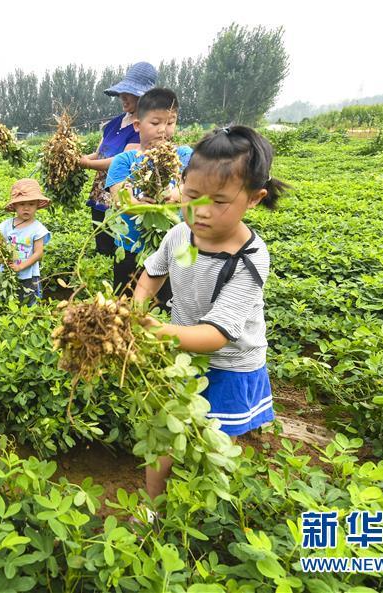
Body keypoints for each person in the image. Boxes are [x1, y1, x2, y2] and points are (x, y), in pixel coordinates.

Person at [132, 125, 289, 517]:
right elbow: (154, 274)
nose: (200, 211)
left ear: (254, 198)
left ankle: (221, 518)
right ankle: (153, 510)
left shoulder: (251, 258)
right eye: (191, 195)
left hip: (230, 366)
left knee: (221, 446)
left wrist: (158, 332)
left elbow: (217, 335)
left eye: (219, 201)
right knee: (164, 437)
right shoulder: (181, 236)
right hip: (180, 358)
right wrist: (135, 311)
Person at [106, 88, 192, 298]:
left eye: (170, 122)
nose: (163, 130)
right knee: (126, 303)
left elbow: (191, 187)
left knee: (170, 303)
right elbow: (119, 201)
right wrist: (134, 203)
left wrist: (173, 194)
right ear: (138, 125)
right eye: (155, 123)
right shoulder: (123, 161)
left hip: (176, 246)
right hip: (130, 248)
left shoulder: (183, 155)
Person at [81, 62, 157, 256]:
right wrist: (78, 158)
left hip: (122, 195)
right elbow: (99, 153)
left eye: (128, 93)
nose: (122, 97)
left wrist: (86, 164)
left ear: (144, 96)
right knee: (102, 246)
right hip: (100, 193)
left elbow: (122, 161)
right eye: (122, 93)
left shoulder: (143, 126)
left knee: (120, 247)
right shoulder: (115, 123)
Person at [0, 179, 52, 304]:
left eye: (31, 204)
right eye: (22, 204)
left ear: (37, 205)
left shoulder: (37, 228)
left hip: (28, 274)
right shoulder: (5, 226)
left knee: (29, 301)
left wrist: (21, 266)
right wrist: (1, 258)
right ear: (15, 206)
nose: (26, 208)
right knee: (8, 300)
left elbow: (39, 253)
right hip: (7, 272)